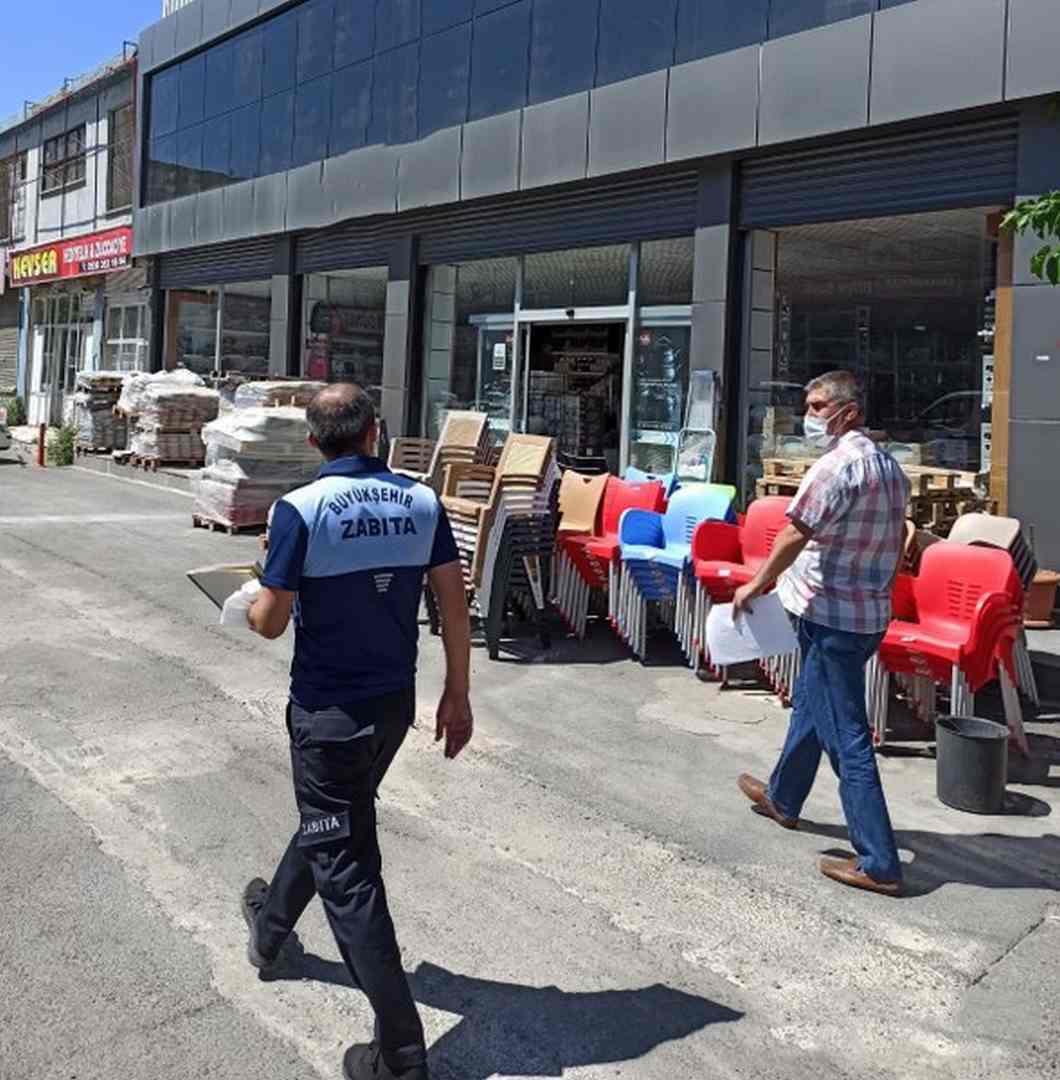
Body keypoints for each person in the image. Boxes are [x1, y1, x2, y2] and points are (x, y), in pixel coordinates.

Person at [243, 383, 473, 1080]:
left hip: (329, 716)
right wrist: (458, 693)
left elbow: (269, 622)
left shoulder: (301, 509)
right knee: (332, 822)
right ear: (376, 431)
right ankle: (270, 928)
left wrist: (257, 587)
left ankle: (400, 1051)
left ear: (314, 441)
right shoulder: (422, 501)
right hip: (391, 708)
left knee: (345, 867)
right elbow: (453, 603)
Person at [732, 370, 910, 897]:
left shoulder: (836, 467)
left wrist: (756, 584)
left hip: (833, 617)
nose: (808, 417)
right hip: (864, 615)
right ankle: (783, 798)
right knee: (810, 708)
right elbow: (896, 538)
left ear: (847, 412)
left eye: (817, 407)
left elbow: (794, 532)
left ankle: (878, 860)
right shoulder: (888, 467)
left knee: (847, 738)